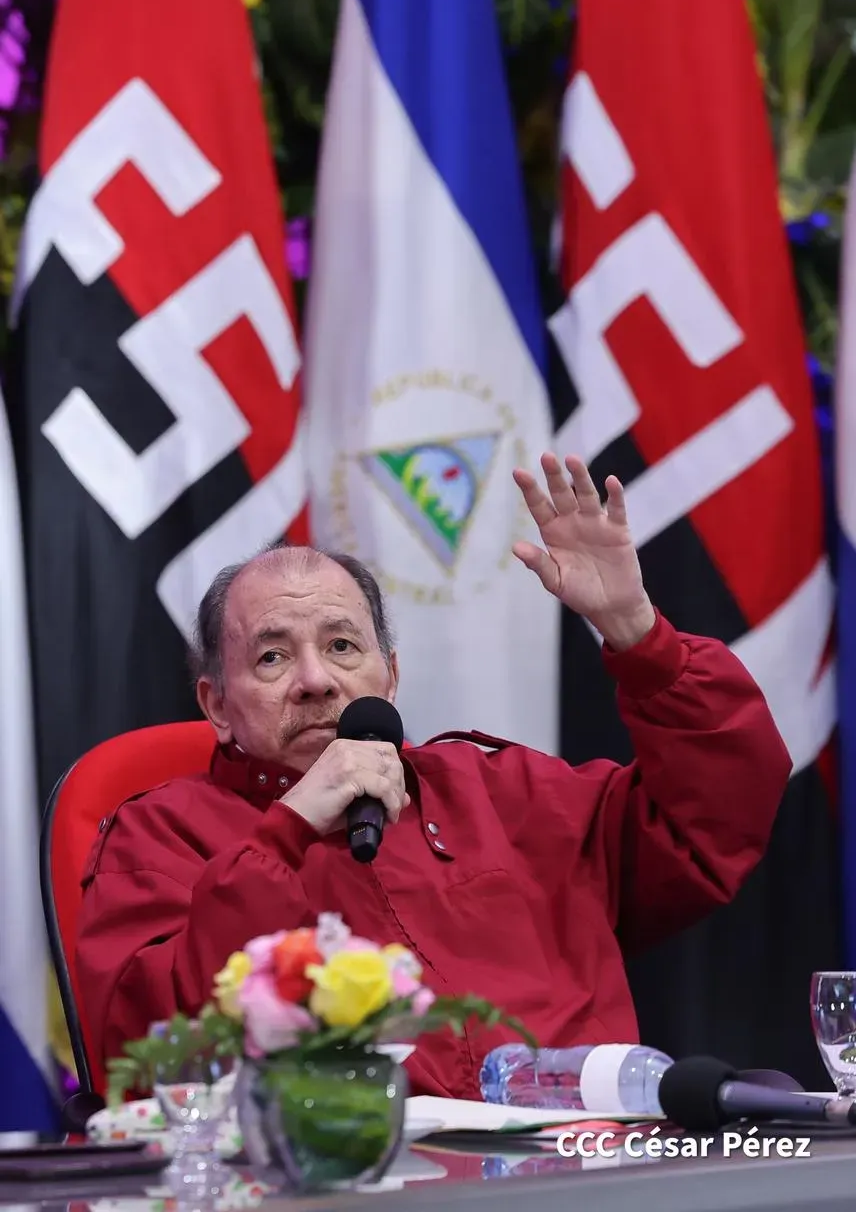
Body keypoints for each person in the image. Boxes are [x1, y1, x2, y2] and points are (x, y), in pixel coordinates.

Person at [75, 453, 791, 1100]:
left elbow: (716, 820)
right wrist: (287, 831)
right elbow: (150, 1055)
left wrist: (638, 631)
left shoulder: (504, 794)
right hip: (346, 1170)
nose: (316, 680)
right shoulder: (159, 836)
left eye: (343, 645)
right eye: (272, 658)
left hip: (583, 1159)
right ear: (217, 706)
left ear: (389, 676)